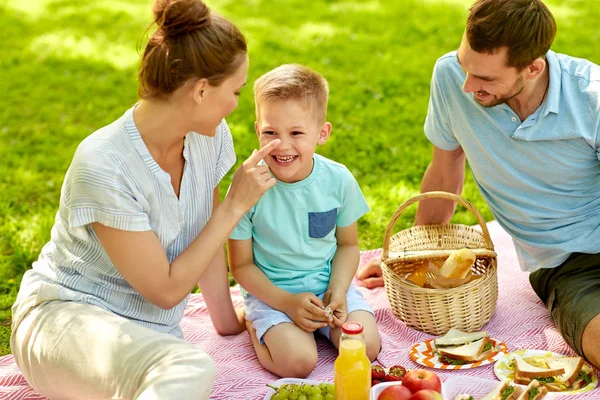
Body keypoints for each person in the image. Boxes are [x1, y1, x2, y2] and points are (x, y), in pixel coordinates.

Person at [9, 0, 282, 399]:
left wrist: (225, 321)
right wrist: (235, 206)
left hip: (148, 336)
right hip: (64, 318)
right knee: (188, 368)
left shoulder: (210, 138)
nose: (237, 105)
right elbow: (167, 291)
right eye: (236, 91)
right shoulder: (104, 163)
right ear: (201, 90)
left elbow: (203, 238)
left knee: (183, 370)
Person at [357, 0, 600, 368]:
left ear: (534, 67)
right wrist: (415, 261)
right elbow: (443, 173)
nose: (468, 85)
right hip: (568, 266)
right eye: (465, 65)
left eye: (485, 78)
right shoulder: (451, 77)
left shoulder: (591, 96)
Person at [227, 64, 381, 378]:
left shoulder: (337, 180)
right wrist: (285, 302)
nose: (282, 145)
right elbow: (240, 266)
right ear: (258, 130)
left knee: (366, 347)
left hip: (328, 290)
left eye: (296, 133)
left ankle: (318, 324)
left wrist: (338, 290)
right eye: (271, 132)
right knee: (298, 363)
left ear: (322, 133)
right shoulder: (247, 186)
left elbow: (348, 245)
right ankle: (254, 323)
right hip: (273, 294)